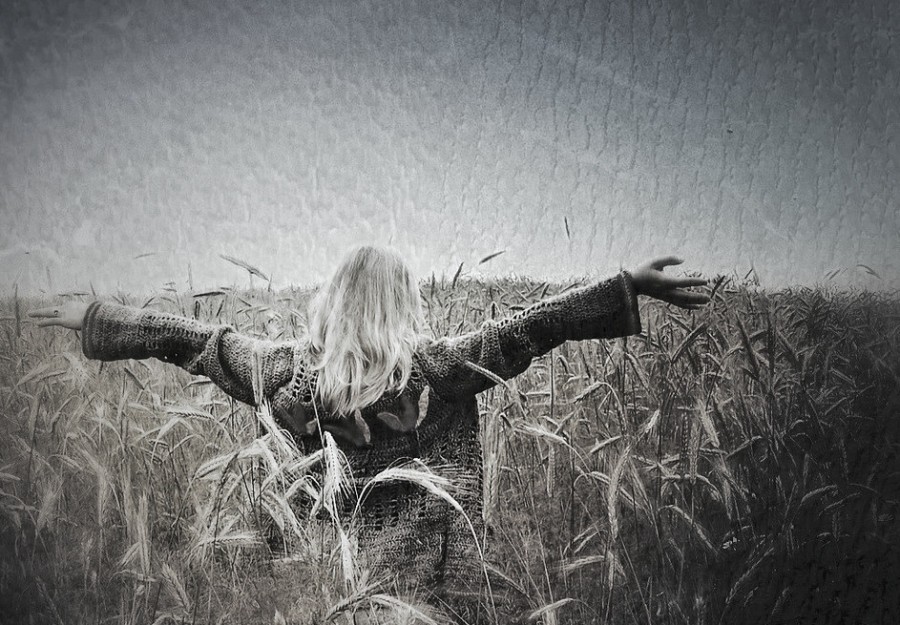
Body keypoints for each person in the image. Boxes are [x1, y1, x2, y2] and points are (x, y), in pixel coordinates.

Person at [29, 245, 709, 618]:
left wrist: (98, 317)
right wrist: (626, 286)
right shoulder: (437, 371)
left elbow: (194, 341)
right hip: (450, 590)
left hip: (354, 596)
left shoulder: (289, 374)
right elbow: (533, 326)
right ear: (403, 304)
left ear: (333, 301)